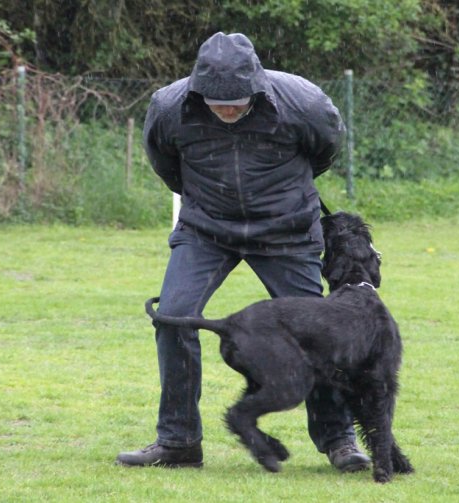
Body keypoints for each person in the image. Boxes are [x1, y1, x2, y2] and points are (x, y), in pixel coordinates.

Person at [116, 32, 371, 472]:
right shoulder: (169, 107)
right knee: (173, 316)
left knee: (320, 331)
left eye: (238, 101)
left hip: (287, 229)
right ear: (199, 92)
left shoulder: (303, 103)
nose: (230, 109)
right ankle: (178, 441)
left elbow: (325, 150)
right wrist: (207, 202)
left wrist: (281, 196)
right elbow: (165, 164)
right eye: (219, 104)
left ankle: (338, 439)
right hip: (206, 230)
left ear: (257, 85)